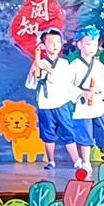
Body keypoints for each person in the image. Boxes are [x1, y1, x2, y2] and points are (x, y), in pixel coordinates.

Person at [68, 25, 104, 173]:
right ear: (79, 45)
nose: (91, 48)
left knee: (103, 131)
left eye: (94, 45)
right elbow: (67, 85)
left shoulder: (98, 65)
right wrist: (82, 93)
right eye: (88, 44)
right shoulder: (74, 66)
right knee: (85, 133)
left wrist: (99, 92)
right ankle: (86, 161)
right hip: (83, 105)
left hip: (96, 104)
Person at [25, 27, 76, 169]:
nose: (55, 45)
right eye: (51, 42)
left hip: (61, 103)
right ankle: (51, 161)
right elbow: (30, 84)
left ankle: (77, 161)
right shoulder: (39, 61)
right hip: (45, 104)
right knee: (48, 134)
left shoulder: (64, 63)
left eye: (58, 42)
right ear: (43, 45)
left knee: (68, 132)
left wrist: (46, 68)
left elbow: (60, 80)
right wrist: (34, 68)